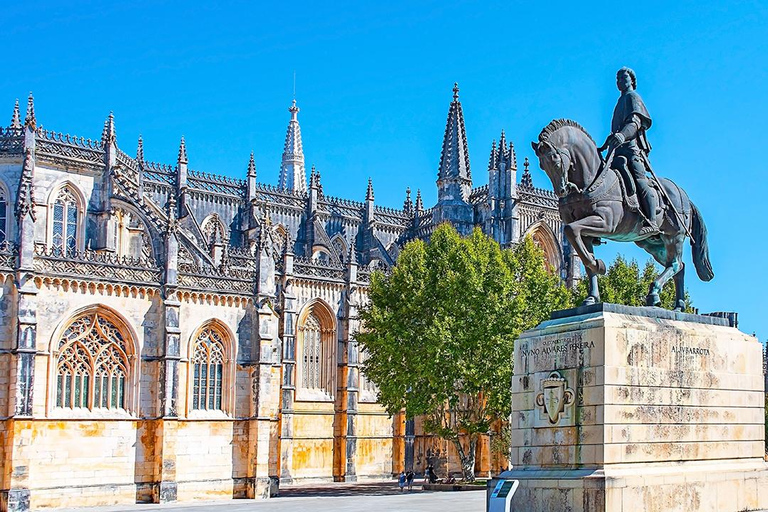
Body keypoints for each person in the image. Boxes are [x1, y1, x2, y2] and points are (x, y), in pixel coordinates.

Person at [603, 67, 659, 236]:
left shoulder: (633, 97)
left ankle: (652, 221)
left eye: (623, 78)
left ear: (632, 81)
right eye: (617, 78)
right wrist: (611, 139)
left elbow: (634, 123)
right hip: (617, 150)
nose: (620, 81)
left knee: (640, 181)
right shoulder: (620, 102)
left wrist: (621, 135)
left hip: (631, 149)